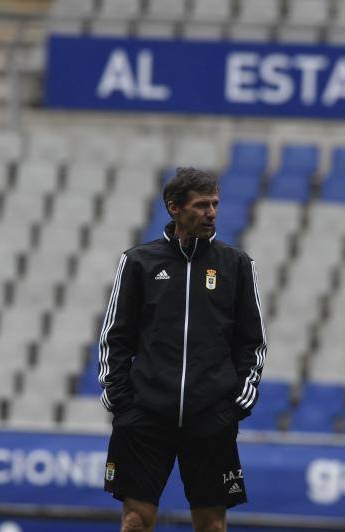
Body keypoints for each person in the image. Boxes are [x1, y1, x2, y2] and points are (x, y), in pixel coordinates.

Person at [98, 167, 267, 532]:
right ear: (174, 208)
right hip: (145, 415)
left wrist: (235, 404)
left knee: (211, 526)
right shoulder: (139, 262)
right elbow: (115, 336)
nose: (211, 213)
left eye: (215, 204)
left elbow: (252, 343)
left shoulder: (236, 265)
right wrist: (122, 402)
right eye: (202, 205)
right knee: (135, 521)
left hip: (210, 417)